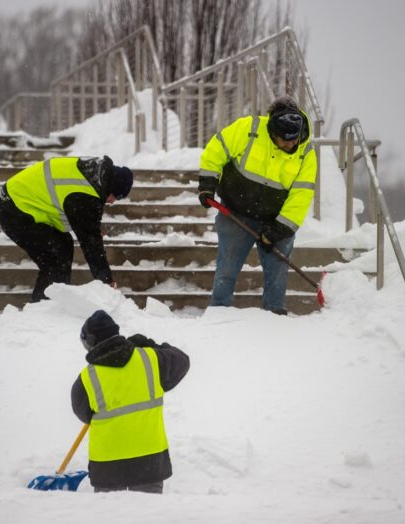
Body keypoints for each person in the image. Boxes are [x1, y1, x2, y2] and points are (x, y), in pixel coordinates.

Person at [197, 96, 317, 315]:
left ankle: (275, 313)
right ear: (272, 131)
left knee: (277, 272)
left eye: (294, 139)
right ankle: (219, 310)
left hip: (277, 219)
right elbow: (216, 149)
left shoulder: (306, 153)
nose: (291, 144)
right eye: (285, 140)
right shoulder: (249, 128)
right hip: (236, 211)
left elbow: (301, 196)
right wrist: (207, 184)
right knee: (227, 267)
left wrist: (279, 230)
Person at [71, 310, 190, 494]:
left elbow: (83, 414)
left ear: (92, 343)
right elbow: (182, 360)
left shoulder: (87, 379)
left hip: (107, 467)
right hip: (149, 462)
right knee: (149, 517)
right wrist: (151, 345)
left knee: (111, 516)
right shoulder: (150, 359)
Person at [0, 156, 133, 302]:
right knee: (56, 256)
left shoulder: (92, 173)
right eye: (116, 196)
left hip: (15, 201)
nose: (112, 202)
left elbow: (70, 204)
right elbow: (91, 245)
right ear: (112, 187)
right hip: (13, 210)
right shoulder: (86, 195)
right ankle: (43, 308)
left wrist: (90, 229)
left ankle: (50, 301)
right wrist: (106, 280)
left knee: (62, 244)